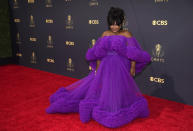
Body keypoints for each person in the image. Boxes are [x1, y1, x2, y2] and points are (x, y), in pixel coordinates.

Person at [45, 6, 151, 128]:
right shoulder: (105, 34)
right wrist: (97, 69)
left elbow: (133, 53)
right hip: (106, 64)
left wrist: (132, 67)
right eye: (112, 24)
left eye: (117, 24)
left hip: (121, 65)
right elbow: (99, 53)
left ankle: (117, 107)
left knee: (117, 86)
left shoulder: (127, 34)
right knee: (105, 86)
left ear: (122, 22)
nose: (114, 27)